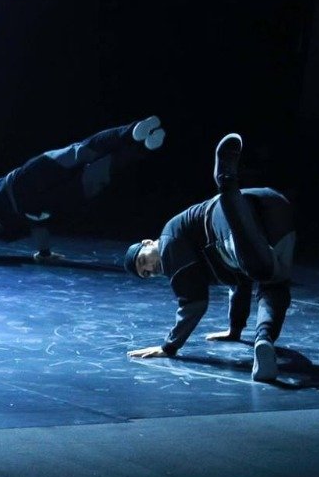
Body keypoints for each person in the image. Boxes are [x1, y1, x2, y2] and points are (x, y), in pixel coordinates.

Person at [125, 133, 295, 383]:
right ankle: (264, 341)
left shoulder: (169, 240)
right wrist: (235, 330)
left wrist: (169, 346)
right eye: (147, 273)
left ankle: (226, 182)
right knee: (273, 280)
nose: (152, 268)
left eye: (143, 261)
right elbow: (238, 284)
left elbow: (193, 302)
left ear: (147, 243)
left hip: (228, 214)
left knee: (256, 264)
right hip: (279, 211)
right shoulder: (202, 259)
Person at [0, 117, 165, 264]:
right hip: (46, 204)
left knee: (79, 152)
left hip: (22, 183)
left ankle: (132, 132)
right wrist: (44, 253)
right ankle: (144, 147)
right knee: (97, 177)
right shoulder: (1, 235)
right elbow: (36, 225)